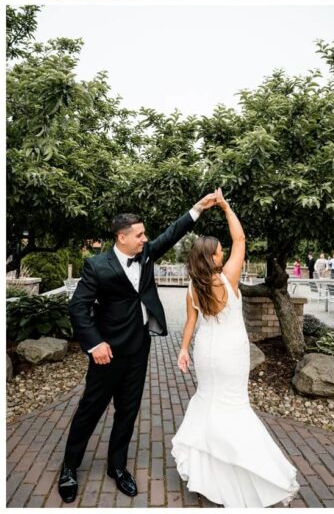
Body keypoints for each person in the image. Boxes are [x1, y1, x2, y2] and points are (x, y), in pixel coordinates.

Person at [60, 192, 219, 503]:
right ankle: (69, 467)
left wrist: (198, 208)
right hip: (107, 352)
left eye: (145, 234)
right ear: (122, 238)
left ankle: (117, 467)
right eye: (140, 234)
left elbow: (172, 234)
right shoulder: (97, 265)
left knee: (128, 412)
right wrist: (94, 344)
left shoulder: (146, 254)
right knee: (89, 410)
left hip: (139, 349)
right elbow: (78, 307)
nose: (146, 239)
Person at [172, 188, 298, 506]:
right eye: (218, 250)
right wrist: (227, 207)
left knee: (209, 400)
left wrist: (183, 350)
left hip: (205, 351)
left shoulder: (193, 285)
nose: (223, 252)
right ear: (213, 257)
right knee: (234, 406)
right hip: (230, 351)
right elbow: (240, 240)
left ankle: (208, 470)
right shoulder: (227, 277)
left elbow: (190, 323)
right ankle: (245, 470)